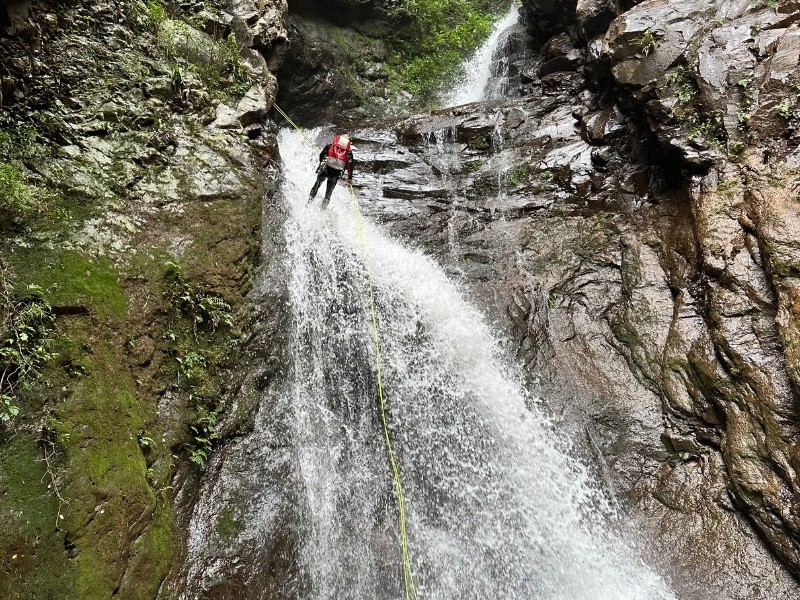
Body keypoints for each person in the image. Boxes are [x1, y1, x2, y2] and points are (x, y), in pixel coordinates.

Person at [308, 134, 354, 208]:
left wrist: (321, 164)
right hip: (336, 174)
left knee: (316, 187)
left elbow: (321, 155)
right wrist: (350, 178)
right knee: (328, 194)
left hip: (325, 169)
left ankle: (308, 203)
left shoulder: (330, 146)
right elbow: (350, 165)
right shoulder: (349, 152)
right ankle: (322, 210)